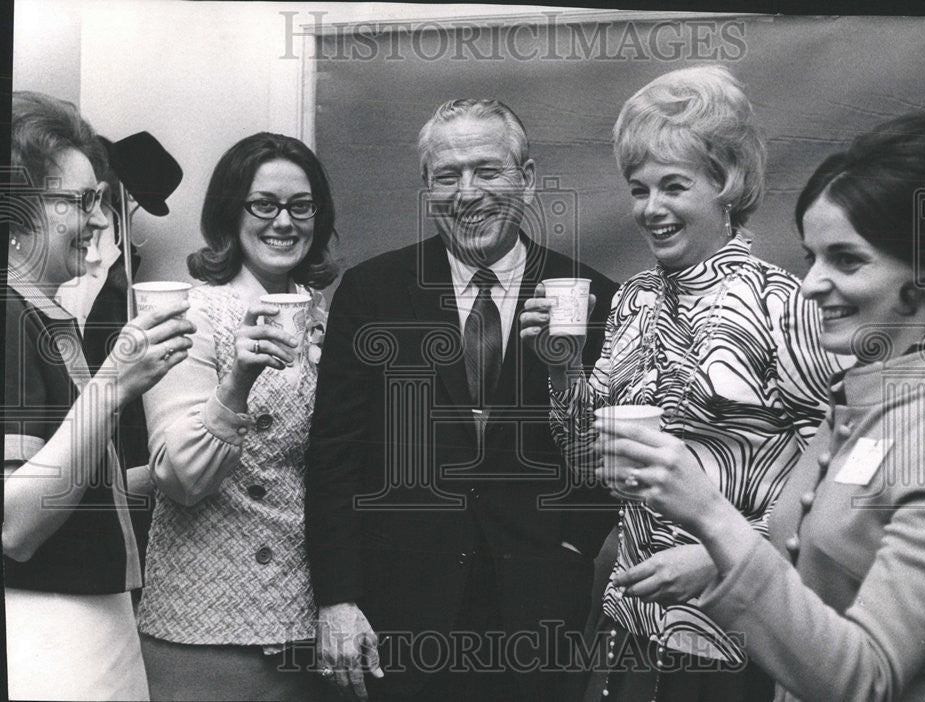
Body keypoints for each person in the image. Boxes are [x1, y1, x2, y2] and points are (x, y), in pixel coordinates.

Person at [602, 113, 925, 701]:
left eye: (847, 261)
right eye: (812, 258)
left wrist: (707, 513)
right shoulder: (862, 396)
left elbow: (864, 679)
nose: (811, 284)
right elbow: (809, 546)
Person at [520, 65, 846, 701]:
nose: (652, 208)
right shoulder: (632, 300)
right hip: (629, 622)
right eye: (639, 190)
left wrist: (722, 554)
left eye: (674, 185)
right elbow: (586, 463)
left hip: (735, 634)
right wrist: (560, 366)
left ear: (726, 186)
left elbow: (832, 484)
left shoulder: (784, 301)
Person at [305, 98, 619, 701]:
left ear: (526, 179)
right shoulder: (373, 294)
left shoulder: (591, 299)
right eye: (447, 175)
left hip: (540, 612)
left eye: (487, 170)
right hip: (399, 612)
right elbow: (333, 455)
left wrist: (575, 544)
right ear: (427, 187)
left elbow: (606, 451)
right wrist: (337, 598)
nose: (467, 193)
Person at [4, 91, 195, 701]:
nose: (98, 221)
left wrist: (223, 414)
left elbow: (75, 487)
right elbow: (15, 525)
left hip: (90, 623)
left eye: (100, 200)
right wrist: (116, 383)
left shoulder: (42, 318)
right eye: (80, 201)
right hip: (49, 630)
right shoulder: (8, 319)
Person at [136, 132, 339, 700]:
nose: (284, 222)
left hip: (306, 621)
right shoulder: (190, 316)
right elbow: (179, 477)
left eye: (301, 207)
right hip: (205, 626)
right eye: (263, 204)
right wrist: (238, 382)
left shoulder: (327, 321)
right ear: (231, 212)